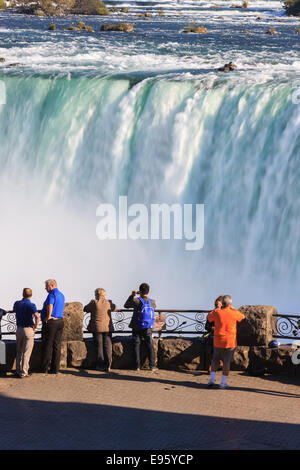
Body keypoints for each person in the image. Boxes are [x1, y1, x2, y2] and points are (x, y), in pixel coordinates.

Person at [206, 295, 245, 389]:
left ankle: (211, 379)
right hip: (230, 341)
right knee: (226, 362)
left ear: (222, 303)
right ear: (230, 304)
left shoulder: (217, 312)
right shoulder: (233, 313)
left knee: (215, 359)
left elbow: (209, 318)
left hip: (218, 340)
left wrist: (217, 309)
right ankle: (223, 383)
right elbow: (242, 317)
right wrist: (233, 308)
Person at [124, 283, 156, 371]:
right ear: (148, 291)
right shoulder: (152, 302)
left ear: (140, 291)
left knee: (136, 345)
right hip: (148, 326)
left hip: (137, 325)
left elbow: (126, 305)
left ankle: (137, 366)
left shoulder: (136, 300)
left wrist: (132, 295)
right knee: (150, 345)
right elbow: (154, 308)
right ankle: (152, 366)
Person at [84, 288, 117, 372]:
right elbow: (115, 308)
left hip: (97, 328)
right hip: (107, 328)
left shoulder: (94, 302)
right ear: (104, 295)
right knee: (107, 346)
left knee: (99, 346)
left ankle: (100, 365)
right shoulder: (108, 303)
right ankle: (108, 364)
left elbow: (85, 308)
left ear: (96, 294)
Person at [13, 288, 40, 378]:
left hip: (19, 329)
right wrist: (36, 325)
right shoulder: (32, 305)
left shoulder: (17, 303)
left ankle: (17, 370)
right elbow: (37, 315)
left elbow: (14, 310)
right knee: (26, 352)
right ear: (31, 295)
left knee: (19, 351)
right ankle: (24, 372)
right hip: (28, 329)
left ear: (22, 294)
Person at [40, 279, 65, 375]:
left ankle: (44, 368)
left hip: (51, 322)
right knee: (57, 345)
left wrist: (48, 316)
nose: (45, 288)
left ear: (52, 285)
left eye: (46, 286)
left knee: (47, 345)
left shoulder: (52, 294)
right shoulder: (62, 295)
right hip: (60, 321)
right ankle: (55, 369)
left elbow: (50, 305)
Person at [205, 295, 223, 372]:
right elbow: (206, 327)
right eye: (215, 305)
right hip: (213, 334)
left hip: (222, 334)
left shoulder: (225, 314)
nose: (216, 306)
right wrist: (212, 328)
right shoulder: (211, 314)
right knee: (213, 341)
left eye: (218, 305)